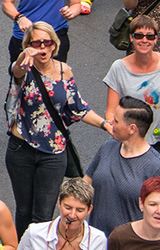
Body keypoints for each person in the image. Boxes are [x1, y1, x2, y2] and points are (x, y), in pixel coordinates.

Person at [6, 22, 105, 237]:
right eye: (36, 43)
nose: (42, 47)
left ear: (54, 45)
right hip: (20, 149)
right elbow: (16, 70)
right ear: (28, 45)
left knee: (43, 213)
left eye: (46, 42)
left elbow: (78, 107)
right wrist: (25, 55)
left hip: (53, 152)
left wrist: (105, 124)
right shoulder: (25, 67)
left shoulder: (64, 70)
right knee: (24, 210)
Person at [86, 97, 160, 232]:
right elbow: (86, 184)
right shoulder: (107, 147)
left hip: (132, 248)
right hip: (96, 244)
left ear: (132, 129)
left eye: (116, 121)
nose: (111, 123)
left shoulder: (157, 169)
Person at [105, 15, 160, 160]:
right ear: (131, 38)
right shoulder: (119, 68)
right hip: (130, 141)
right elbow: (111, 113)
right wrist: (116, 131)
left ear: (156, 39)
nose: (144, 40)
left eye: (150, 36)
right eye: (139, 35)